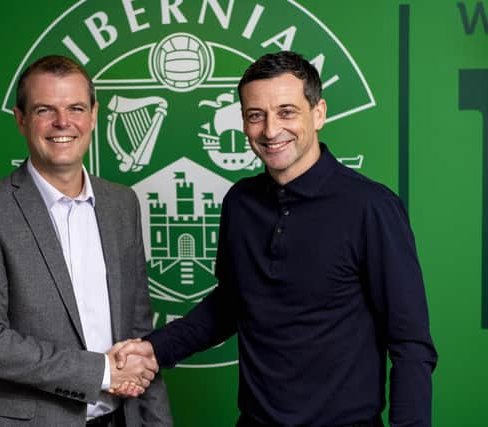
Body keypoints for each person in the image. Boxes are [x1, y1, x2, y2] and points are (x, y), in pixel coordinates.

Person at [114, 51, 438, 427]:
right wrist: (154, 349)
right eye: (256, 116)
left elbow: (410, 344)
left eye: (286, 112)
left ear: (318, 114)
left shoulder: (372, 207)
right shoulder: (240, 201)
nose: (270, 131)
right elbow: (232, 305)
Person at [0, 55, 172, 427]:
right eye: (44, 110)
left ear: (95, 115)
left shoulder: (122, 203)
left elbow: (139, 335)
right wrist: (101, 372)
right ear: (21, 120)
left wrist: (157, 422)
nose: (63, 123)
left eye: (76, 108)